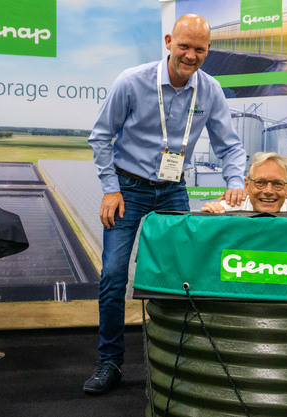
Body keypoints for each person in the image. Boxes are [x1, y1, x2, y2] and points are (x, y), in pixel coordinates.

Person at [84, 14, 246, 395]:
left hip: (173, 189)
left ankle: (179, 356)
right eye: (184, 46)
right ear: (169, 42)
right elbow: (101, 137)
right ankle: (110, 362)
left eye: (199, 49)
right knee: (113, 274)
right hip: (127, 188)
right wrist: (110, 188)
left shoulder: (210, 90)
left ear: (208, 50)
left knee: (182, 274)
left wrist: (236, 181)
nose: (190, 55)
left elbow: (230, 146)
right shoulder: (132, 82)